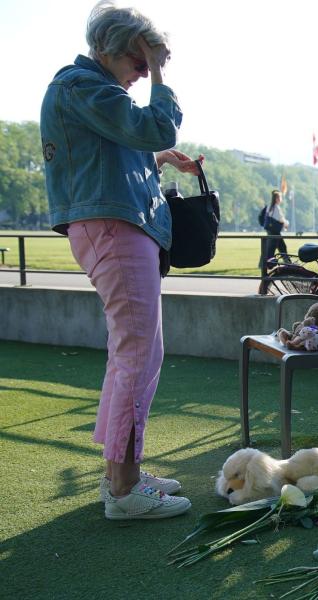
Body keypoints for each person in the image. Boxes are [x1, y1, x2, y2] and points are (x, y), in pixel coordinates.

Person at [40, 1, 202, 519]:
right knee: (138, 355)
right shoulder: (81, 86)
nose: (142, 73)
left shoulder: (89, 90)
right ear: (114, 49)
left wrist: (154, 159)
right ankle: (126, 488)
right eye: (139, 61)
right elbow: (155, 126)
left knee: (131, 354)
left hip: (114, 227)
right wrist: (159, 74)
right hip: (116, 229)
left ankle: (122, 473)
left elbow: (110, 154)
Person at [258, 189, 289, 294]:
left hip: (271, 231)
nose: (281, 199)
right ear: (276, 198)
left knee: (279, 247)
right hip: (275, 231)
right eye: (280, 197)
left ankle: (287, 263)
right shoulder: (275, 208)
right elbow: (280, 219)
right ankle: (286, 264)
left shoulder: (269, 207)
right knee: (274, 249)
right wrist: (285, 223)